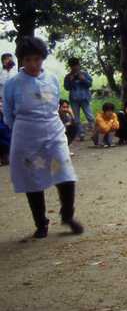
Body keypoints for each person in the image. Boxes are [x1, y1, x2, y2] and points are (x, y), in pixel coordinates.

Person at [3, 36, 84, 238]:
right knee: (33, 178)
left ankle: (67, 215)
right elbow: (9, 113)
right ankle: (41, 223)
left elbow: (55, 105)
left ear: (42, 59)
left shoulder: (52, 79)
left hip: (53, 132)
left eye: (37, 59)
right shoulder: (13, 84)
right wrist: (20, 132)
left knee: (64, 172)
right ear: (21, 60)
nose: (32, 64)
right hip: (26, 136)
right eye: (28, 60)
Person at [64, 57, 94, 140]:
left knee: (90, 116)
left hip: (85, 98)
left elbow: (90, 84)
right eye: (73, 66)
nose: (75, 68)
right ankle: (81, 134)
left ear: (79, 65)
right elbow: (66, 87)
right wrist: (71, 81)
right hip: (74, 99)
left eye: (76, 65)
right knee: (76, 118)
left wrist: (83, 79)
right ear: (70, 67)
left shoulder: (84, 74)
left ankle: (95, 132)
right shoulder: (68, 76)